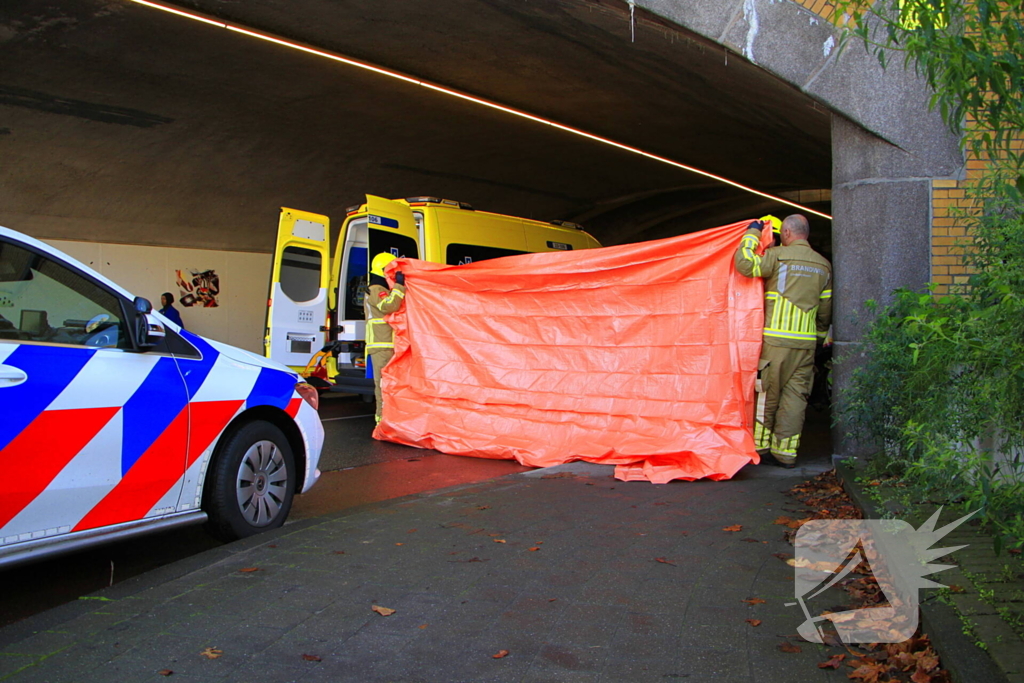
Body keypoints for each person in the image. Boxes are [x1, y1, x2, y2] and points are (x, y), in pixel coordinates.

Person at [734, 214, 832, 468]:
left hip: (775, 342)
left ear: (786, 233)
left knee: (766, 395)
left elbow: (744, 264)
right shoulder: (823, 265)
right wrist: (818, 341)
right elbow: (825, 311)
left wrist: (752, 234)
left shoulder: (777, 256)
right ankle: (786, 453)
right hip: (806, 345)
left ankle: (760, 448)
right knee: (796, 398)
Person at [365, 253, 406, 424]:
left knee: (389, 383)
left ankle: (389, 419)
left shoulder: (379, 288)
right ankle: (382, 421)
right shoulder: (377, 289)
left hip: (385, 344)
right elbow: (390, 306)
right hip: (382, 345)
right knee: (383, 384)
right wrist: (399, 286)